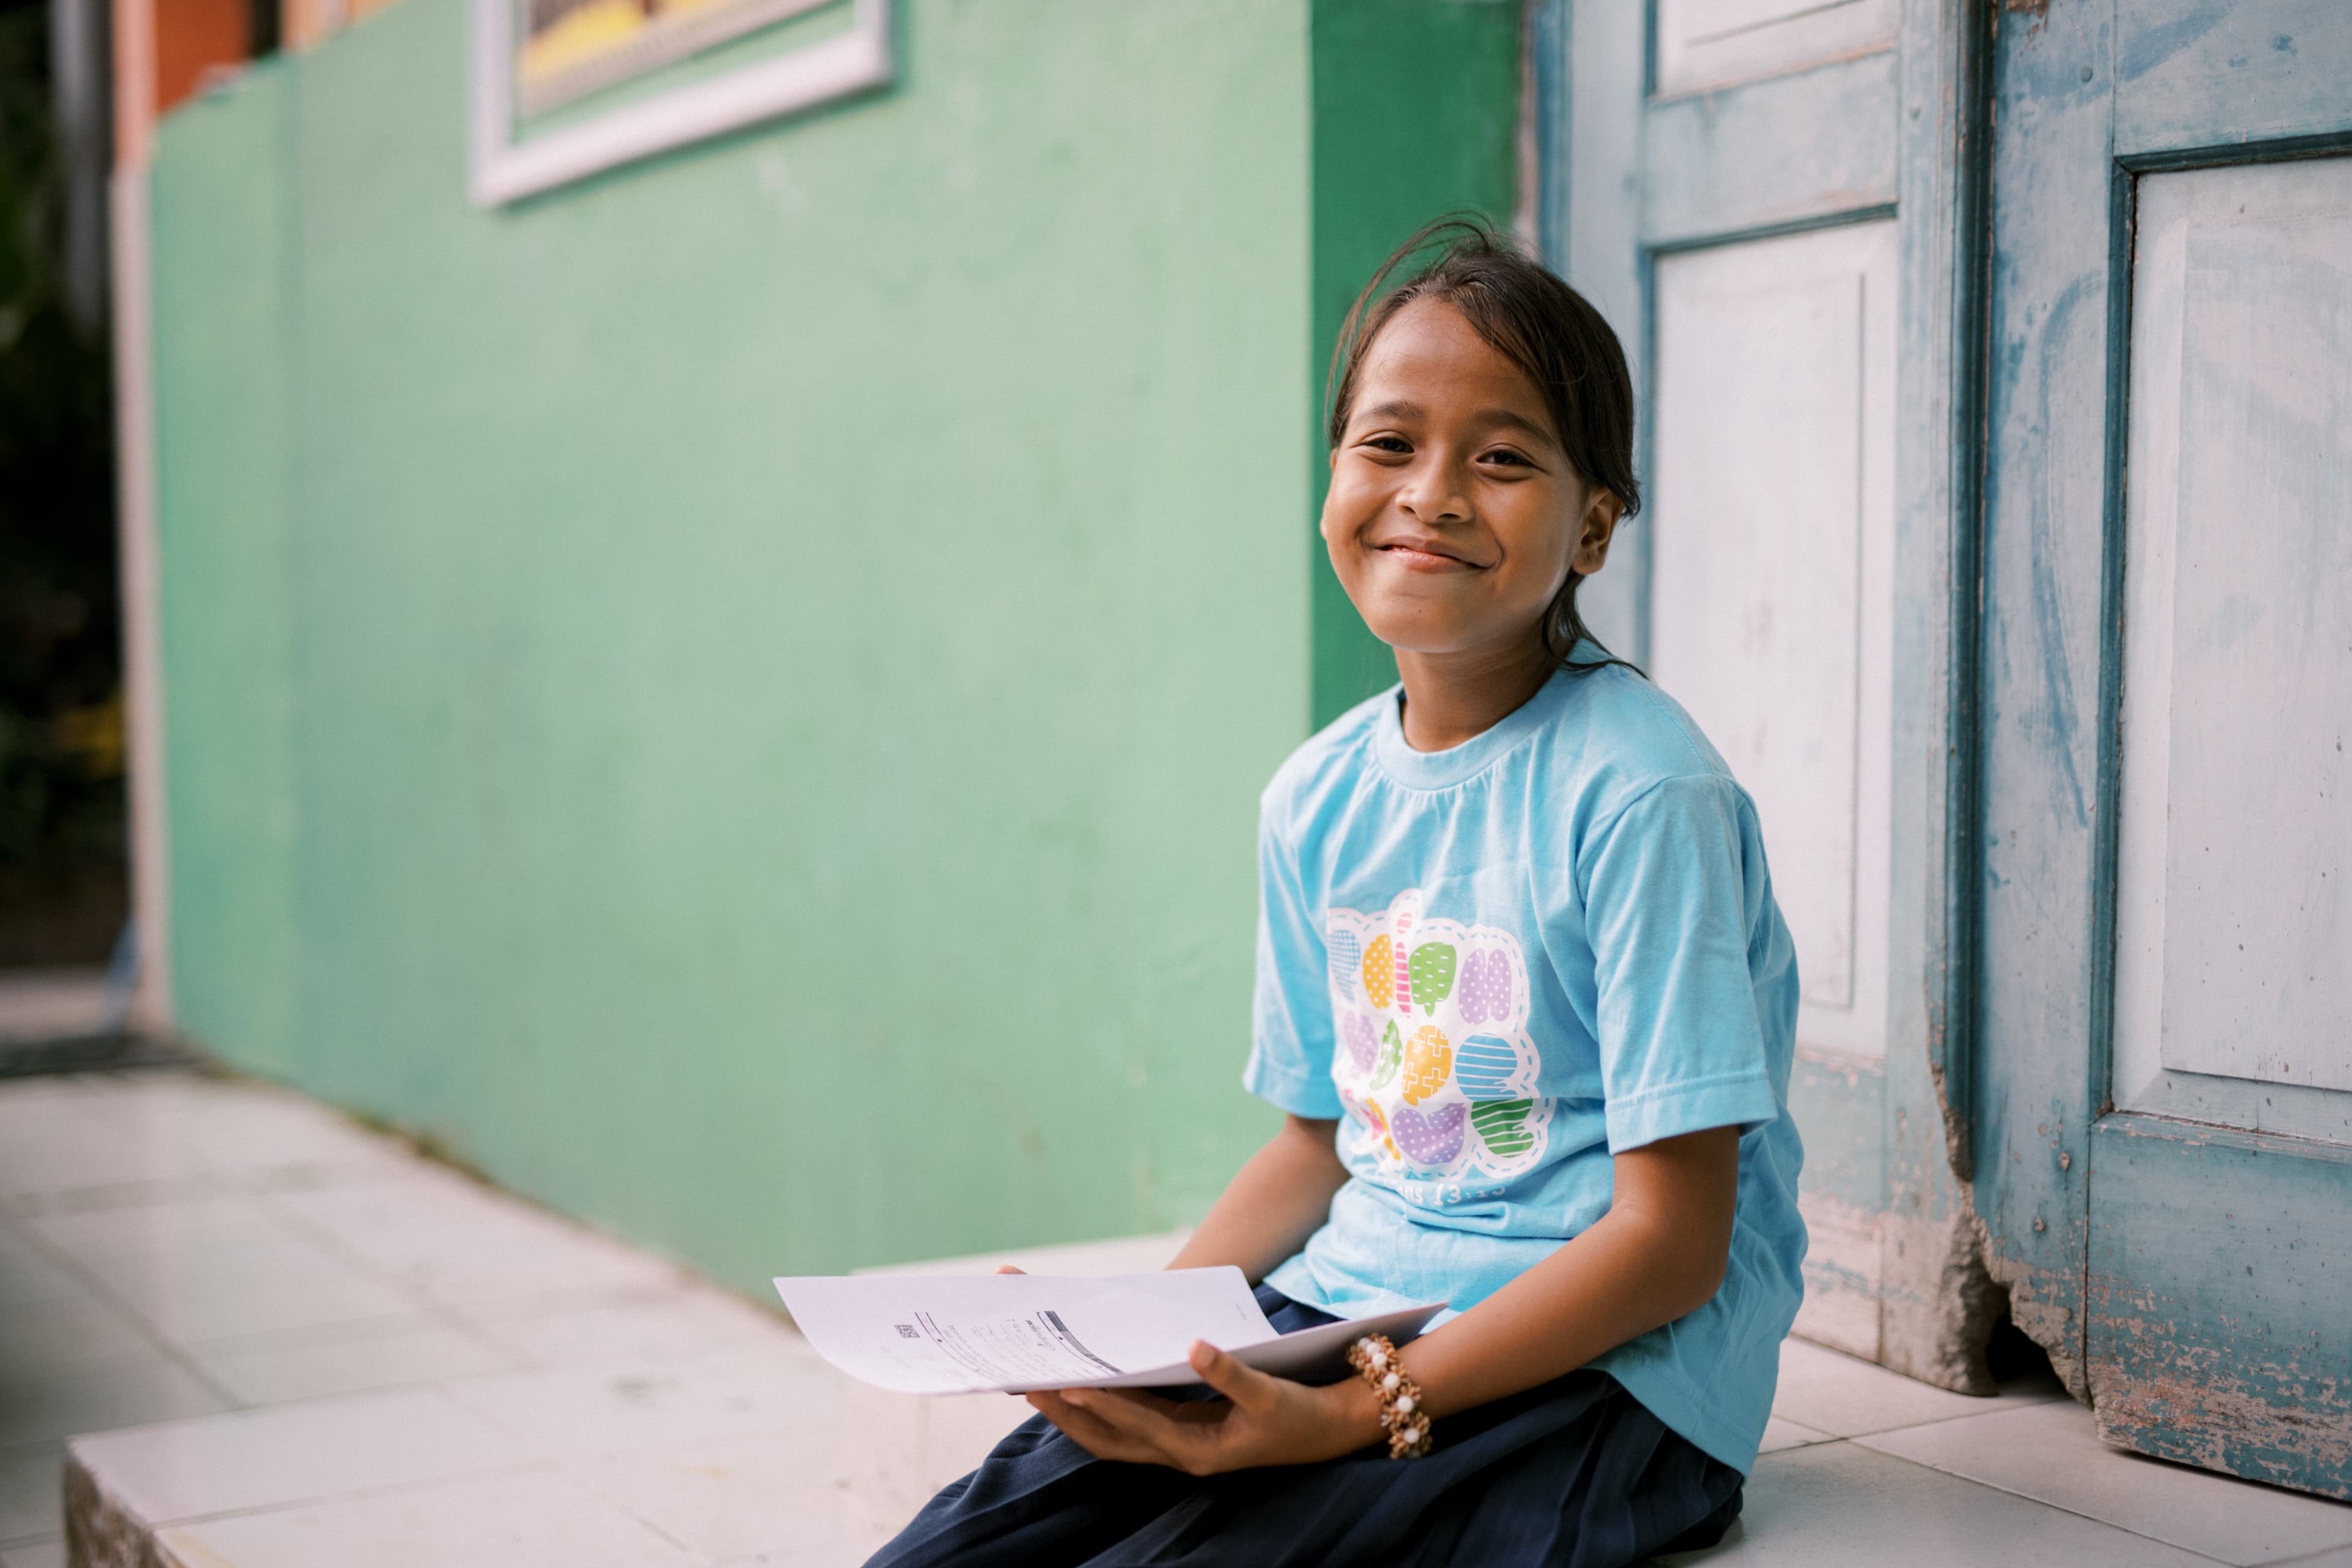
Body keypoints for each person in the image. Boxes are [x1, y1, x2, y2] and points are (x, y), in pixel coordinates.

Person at [867, 217, 1805, 1568]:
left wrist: (1360, 1413)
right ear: (1332, 484)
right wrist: (1145, 1330)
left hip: (1606, 1372)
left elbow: (1669, 1241)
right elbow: (1317, 1143)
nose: (1431, 491)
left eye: (1502, 457)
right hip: (1343, 1307)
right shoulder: (1317, 796)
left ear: (1594, 524)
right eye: (1388, 443)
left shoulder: (1643, 793)